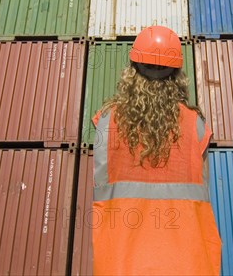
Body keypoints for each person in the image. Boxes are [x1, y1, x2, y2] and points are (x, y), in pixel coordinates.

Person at [91, 25, 222, 275]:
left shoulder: (106, 121)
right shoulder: (195, 125)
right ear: (176, 73)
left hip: (119, 262)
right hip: (187, 263)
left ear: (132, 69)